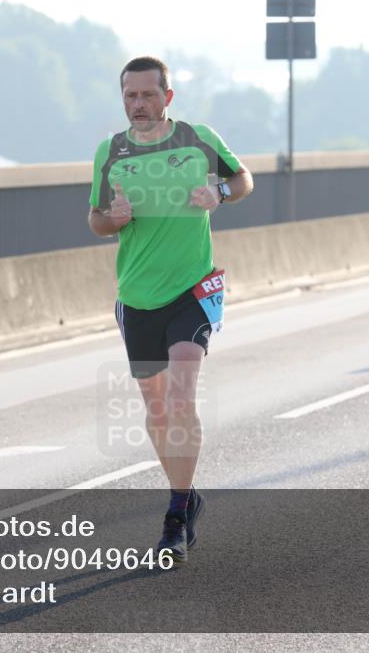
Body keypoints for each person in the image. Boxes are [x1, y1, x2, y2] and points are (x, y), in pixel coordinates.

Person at [87, 56, 253, 563]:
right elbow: (94, 219)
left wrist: (219, 193)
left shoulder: (198, 139)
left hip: (192, 289)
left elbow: (244, 179)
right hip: (137, 297)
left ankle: (176, 514)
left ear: (168, 97)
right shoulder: (110, 152)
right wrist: (113, 219)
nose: (139, 104)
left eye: (148, 94)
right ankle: (188, 493)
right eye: (130, 96)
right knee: (157, 411)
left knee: (182, 398)